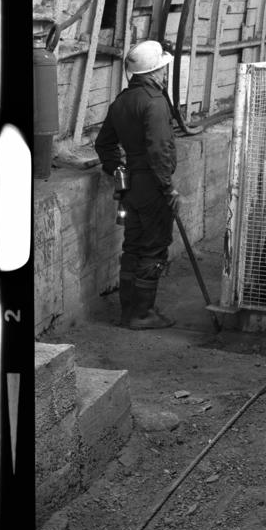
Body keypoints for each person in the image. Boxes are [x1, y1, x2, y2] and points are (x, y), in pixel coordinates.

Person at [95, 40, 180, 329]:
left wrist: (118, 169)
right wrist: (168, 187)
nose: (166, 74)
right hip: (152, 185)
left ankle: (128, 311)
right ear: (153, 72)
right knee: (153, 247)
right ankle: (142, 314)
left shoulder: (121, 101)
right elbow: (159, 149)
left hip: (130, 185)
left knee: (132, 247)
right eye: (164, 69)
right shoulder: (155, 102)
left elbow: (103, 144)